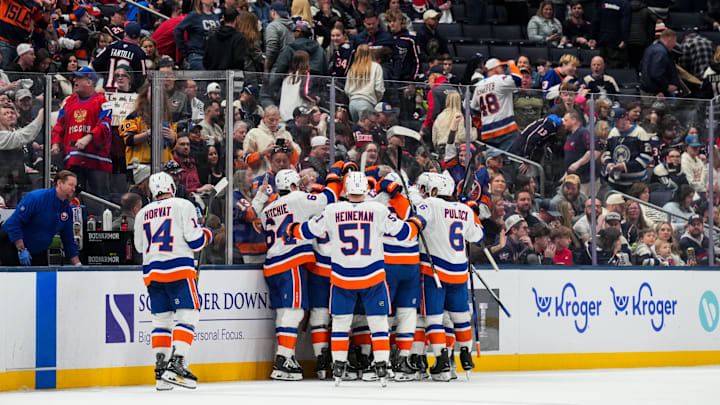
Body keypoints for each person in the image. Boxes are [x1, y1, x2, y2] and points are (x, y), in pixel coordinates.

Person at [287, 171, 425, 385]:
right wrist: (417, 222)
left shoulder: (332, 210)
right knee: (378, 323)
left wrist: (292, 228)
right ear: (365, 189)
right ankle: (381, 366)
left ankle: (339, 367)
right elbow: (404, 233)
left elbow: (307, 230)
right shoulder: (378, 209)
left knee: (341, 323)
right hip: (373, 277)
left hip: (342, 277)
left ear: (346, 189)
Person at [134, 172, 213, 390]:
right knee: (189, 313)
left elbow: (140, 247)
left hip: (152, 271)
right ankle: (178, 362)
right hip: (178, 267)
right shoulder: (183, 205)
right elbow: (196, 241)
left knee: (161, 320)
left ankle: (161, 370)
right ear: (171, 186)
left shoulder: (142, 213)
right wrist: (207, 233)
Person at [260, 169, 335, 380]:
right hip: (290, 261)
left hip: (271, 264)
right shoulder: (298, 198)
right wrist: (334, 176)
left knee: (284, 313)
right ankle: (283, 359)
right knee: (295, 312)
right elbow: (326, 199)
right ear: (294, 185)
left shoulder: (268, 208)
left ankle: (286, 357)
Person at [414, 173, 484, 380]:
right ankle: (465, 354)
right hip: (459, 270)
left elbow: (417, 219)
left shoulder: (431, 204)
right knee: (461, 316)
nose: (422, 193)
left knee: (434, 317)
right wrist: (469, 211)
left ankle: (441, 359)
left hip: (434, 270)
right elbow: (478, 235)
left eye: (425, 189)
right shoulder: (465, 210)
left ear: (433, 191)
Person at [50, 67, 112, 196]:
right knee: (74, 199)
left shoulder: (102, 101)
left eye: (79, 78)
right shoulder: (69, 102)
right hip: (73, 160)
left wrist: (88, 137)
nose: (74, 80)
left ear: (89, 82)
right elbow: (59, 125)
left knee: (98, 200)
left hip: (97, 161)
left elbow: (105, 124)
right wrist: (55, 143)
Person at [0, 170, 80, 266]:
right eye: (71, 185)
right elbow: (14, 223)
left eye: (74, 186)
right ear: (59, 183)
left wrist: (78, 265)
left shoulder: (66, 210)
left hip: (38, 250)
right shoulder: (36, 198)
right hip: (13, 245)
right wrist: (21, 249)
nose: (73, 189)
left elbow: (68, 239)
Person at [119, 82, 177, 182]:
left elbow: (173, 146)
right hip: (140, 166)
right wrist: (149, 133)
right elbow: (128, 140)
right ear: (146, 94)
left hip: (164, 166)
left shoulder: (169, 118)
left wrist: (172, 138)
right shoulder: (134, 116)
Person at [470, 58, 522, 151]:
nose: (504, 70)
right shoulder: (500, 79)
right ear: (496, 68)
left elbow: (474, 109)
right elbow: (518, 79)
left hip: (487, 132)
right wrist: (512, 65)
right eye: (502, 67)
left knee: (492, 161)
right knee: (510, 160)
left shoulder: (478, 86)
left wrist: (481, 126)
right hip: (505, 129)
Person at [601, 107, 652, 192]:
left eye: (617, 121)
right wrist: (609, 164)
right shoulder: (613, 132)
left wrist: (625, 167)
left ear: (625, 118)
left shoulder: (640, 133)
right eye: (612, 121)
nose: (615, 124)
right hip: (614, 182)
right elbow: (607, 152)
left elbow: (647, 158)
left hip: (635, 184)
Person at [243, 105, 301, 175]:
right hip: (262, 177)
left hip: (284, 178)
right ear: (264, 118)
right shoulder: (254, 134)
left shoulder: (286, 134)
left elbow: (295, 161)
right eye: (271, 120)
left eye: (277, 120)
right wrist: (263, 153)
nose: (274, 123)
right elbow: (246, 161)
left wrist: (291, 150)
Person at [92, 22, 147, 92]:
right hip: (127, 94)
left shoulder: (112, 46)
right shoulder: (139, 52)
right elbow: (143, 76)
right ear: (139, 36)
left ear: (125, 33)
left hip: (108, 90)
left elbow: (95, 64)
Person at [174, 0, 221, 70]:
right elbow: (178, 30)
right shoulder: (194, 15)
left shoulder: (215, 16)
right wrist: (184, 52)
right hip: (198, 56)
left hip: (213, 57)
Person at [344, 44, 385, 121]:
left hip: (352, 103)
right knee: (365, 130)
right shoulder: (376, 67)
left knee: (356, 129)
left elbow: (346, 89)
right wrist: (377, 100)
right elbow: (379, 88)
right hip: (367, 102)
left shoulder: (353, 68)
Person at [639, 28, 680, 97]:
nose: (674, 45)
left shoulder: (651, 48)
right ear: (670, 40)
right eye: (674, 42)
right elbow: (656, 73)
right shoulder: (661, 52)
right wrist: (666, 86)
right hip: (656, 92)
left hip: (648, 89)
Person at [592, 0, 631, 68]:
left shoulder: (602, 2)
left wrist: (593, 37)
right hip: (616, 42)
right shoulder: (624, 3)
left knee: (600, 66)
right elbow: (625, 23)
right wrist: (624, 39)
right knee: (614, 68)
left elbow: (596, 20)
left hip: (602, 40)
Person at [385, 9, 419, 82]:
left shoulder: (410, 39)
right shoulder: (385, 39)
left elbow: (417, 61)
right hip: (388, 78)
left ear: (401, 21)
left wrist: (413, 79)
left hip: (405, 79)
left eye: (394, 21)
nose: (391, 24)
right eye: (389, 21)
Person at [264, 1, 295, 72]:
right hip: (290, 67)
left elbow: (271, 50)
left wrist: (266, 69)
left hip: (277, 68)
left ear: (273, 12)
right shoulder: (291, 26)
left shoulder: (273, 26)